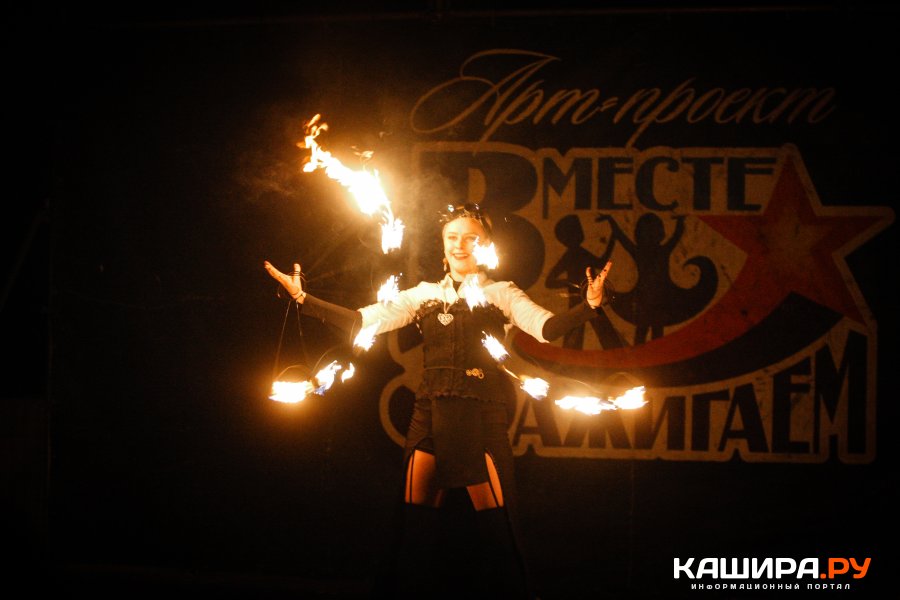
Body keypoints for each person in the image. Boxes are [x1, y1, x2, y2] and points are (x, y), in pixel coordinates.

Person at [264, 203, 611, 599]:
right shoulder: (423, 296)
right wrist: (303, 298)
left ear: (486, 245)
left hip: (481, 415)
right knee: (414, 529)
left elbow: (547, 328)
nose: (460, 245)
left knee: (498, 530)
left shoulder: (502, 293)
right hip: (429, 414)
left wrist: (590, 306)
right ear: (443, 244)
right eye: (452, 237)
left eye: (471, 238)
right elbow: (363, 321)